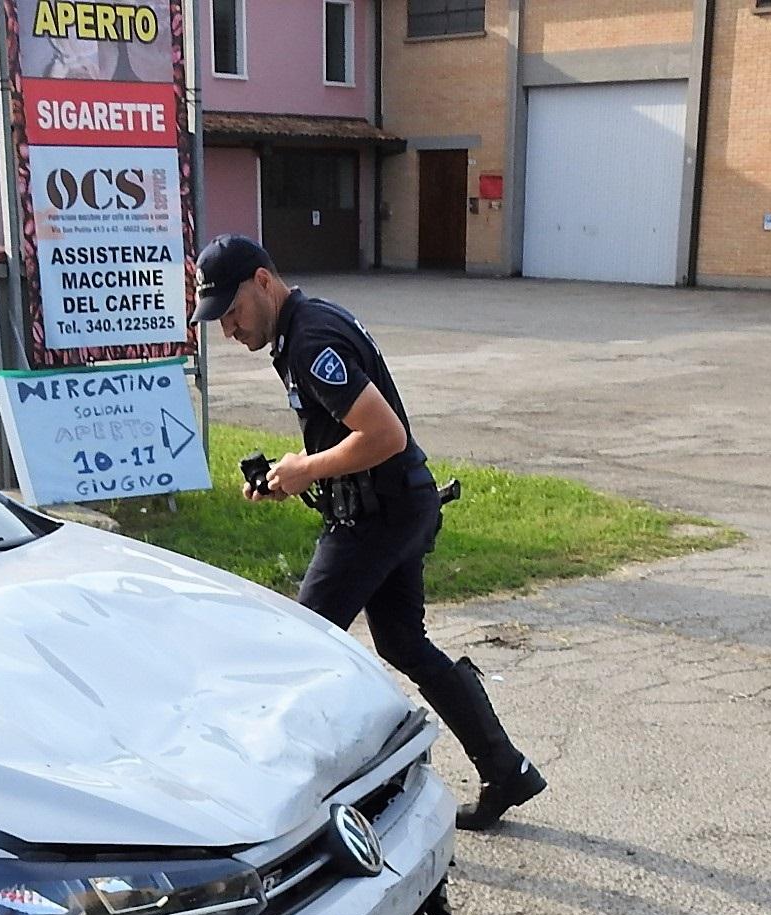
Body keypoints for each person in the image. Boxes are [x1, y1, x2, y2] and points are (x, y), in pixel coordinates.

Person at [196, 235, 545, 830]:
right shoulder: (309, 322)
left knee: (303, 649)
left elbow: (384, 436)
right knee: (402, 642)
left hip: (377, 517)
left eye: (231, 312)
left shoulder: (309, 340)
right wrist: (295, 472)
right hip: (399, 504)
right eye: (218, 319)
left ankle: (294, 811)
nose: (228, 330)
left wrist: (307, 467)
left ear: (263, 282)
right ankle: (504, 768)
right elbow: (352, 437)